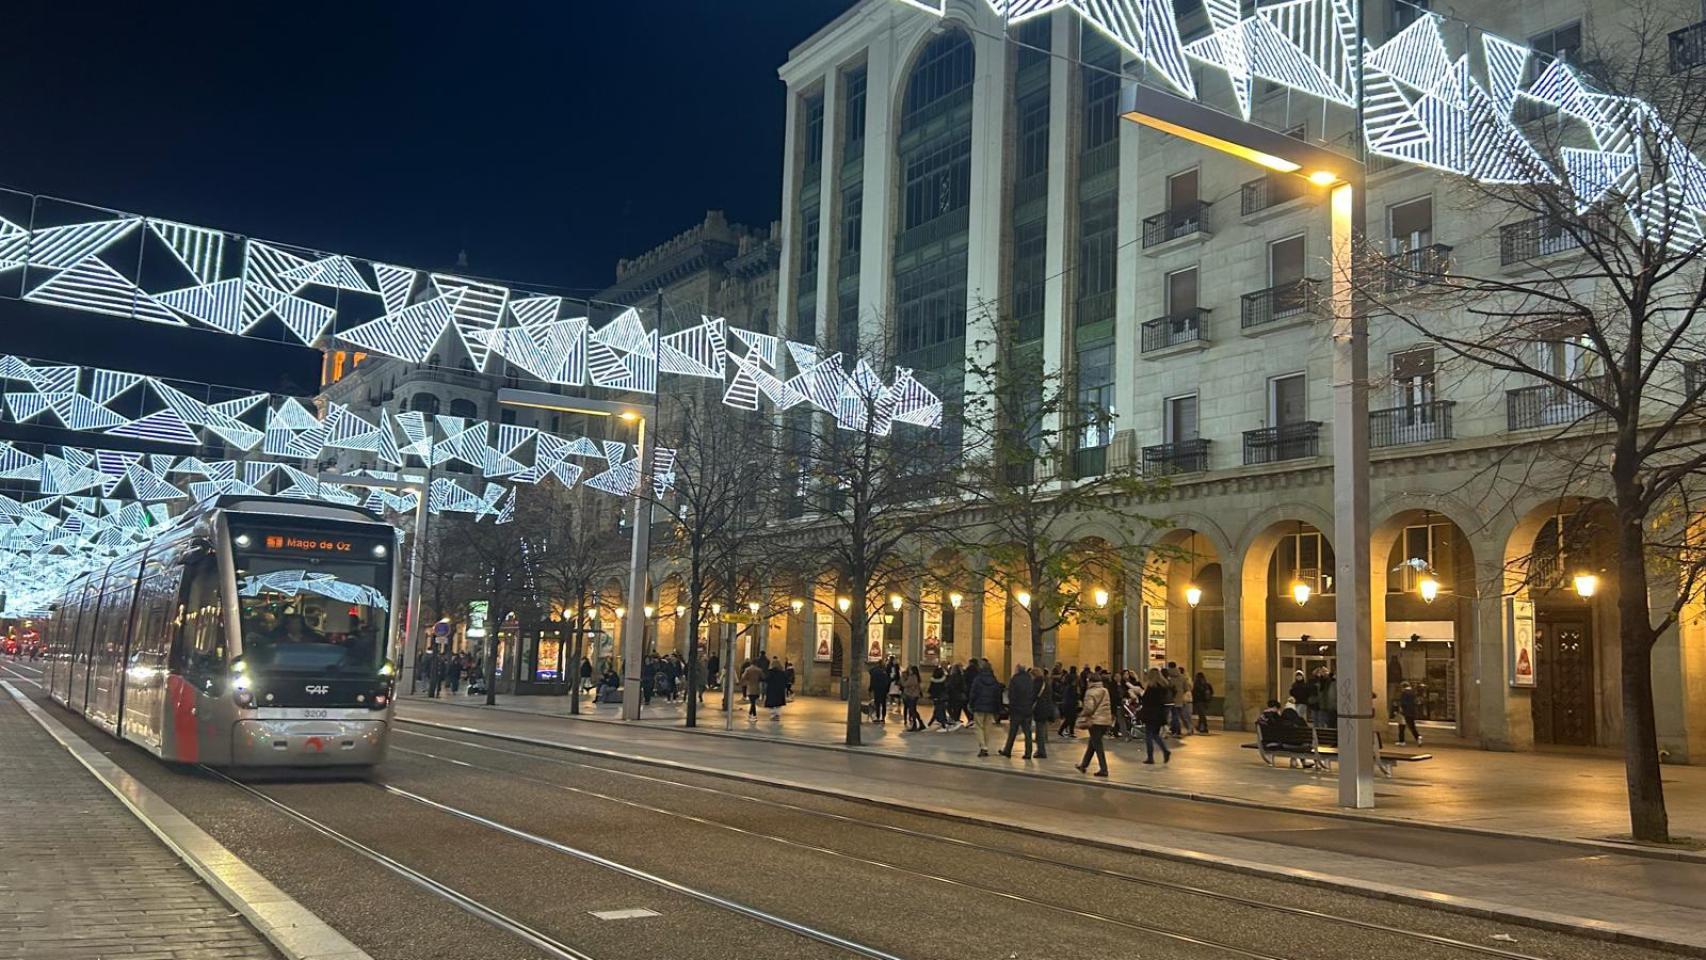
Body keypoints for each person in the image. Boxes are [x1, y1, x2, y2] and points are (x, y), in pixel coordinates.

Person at [1074, 672, 1114, 776]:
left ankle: (1104, 769)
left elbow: (1089, 708)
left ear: (1090, 681)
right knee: (1092, 743)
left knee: (1098, 746)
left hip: (1095, 721)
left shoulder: (1090, 692)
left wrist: (1081, 714)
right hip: (1105, 721)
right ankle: (1083, 765)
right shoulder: (1105, 690)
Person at [999, 664, 1037, 759]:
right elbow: (1033, 694)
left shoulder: (1014, 679)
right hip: (1027, 709)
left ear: (1017, 670)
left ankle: (1007, 750)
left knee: (1012, 732)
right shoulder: (1030, 680)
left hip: (1016, 710)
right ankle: (1028, 753)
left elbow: (1011, 695)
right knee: (1027, 732)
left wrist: (1011, 706)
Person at [968, 660, 1003, 757]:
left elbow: (973, 693)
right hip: (990, 707)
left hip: (979, 706)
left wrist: (971, 703)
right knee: (988, 727)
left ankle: (983, 746)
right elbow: (997, 694)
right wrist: (998, 707)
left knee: (979, 726)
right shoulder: (994, 680)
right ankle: (986, 745)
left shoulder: (978, 679)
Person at [1140, 668, 1173, 764]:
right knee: (1155, 734)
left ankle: (1150, 757)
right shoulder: (1163, 687)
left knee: (1148, 735)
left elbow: (1145, 699)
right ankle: (1165, 751)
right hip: (1160, 713)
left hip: (1150, 713)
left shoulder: (1151, 688)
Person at [1028, 666, 1053, 758]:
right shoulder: (1046, 683)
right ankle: (1040, 750)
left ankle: (1041, 751)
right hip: (1046, 708)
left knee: (1039, 732)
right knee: (1041, 730)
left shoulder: (1036, 683)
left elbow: (1033, 696)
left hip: (1039, 709)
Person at [1057, 666, 1080, 739]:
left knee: (1070, 719)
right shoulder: (1072, 688)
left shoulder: (1067, 686)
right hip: (1071, 705)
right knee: (1071, 719)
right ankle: (1067, 731)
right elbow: (1074, 696)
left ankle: (1066, 731)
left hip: (1067, 704)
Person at [943, 663, 967, 732]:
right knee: (958, 709)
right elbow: (964, 686)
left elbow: (948, 686)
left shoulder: (951, 677)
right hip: (959, 695)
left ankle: (953, 719)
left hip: (952, 695)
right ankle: (956, 720)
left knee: (950, 707)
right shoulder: (961, 677)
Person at [901, 666, 924, 732]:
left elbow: (905, 684)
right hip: (915, 695)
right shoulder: (917, 677)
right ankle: (920, 723)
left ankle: (915, 725)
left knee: (912, 710)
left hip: (911, 696)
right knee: (914, 710)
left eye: (910, 670)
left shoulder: (912, 677)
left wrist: (902, 678)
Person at [961, 658, 981, 726]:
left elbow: (964, 680)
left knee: (965, 705)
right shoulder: (979, 671)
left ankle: (970, 718)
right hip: (977, 690)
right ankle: (974, 719)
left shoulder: (968, 670)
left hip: (968, 690)